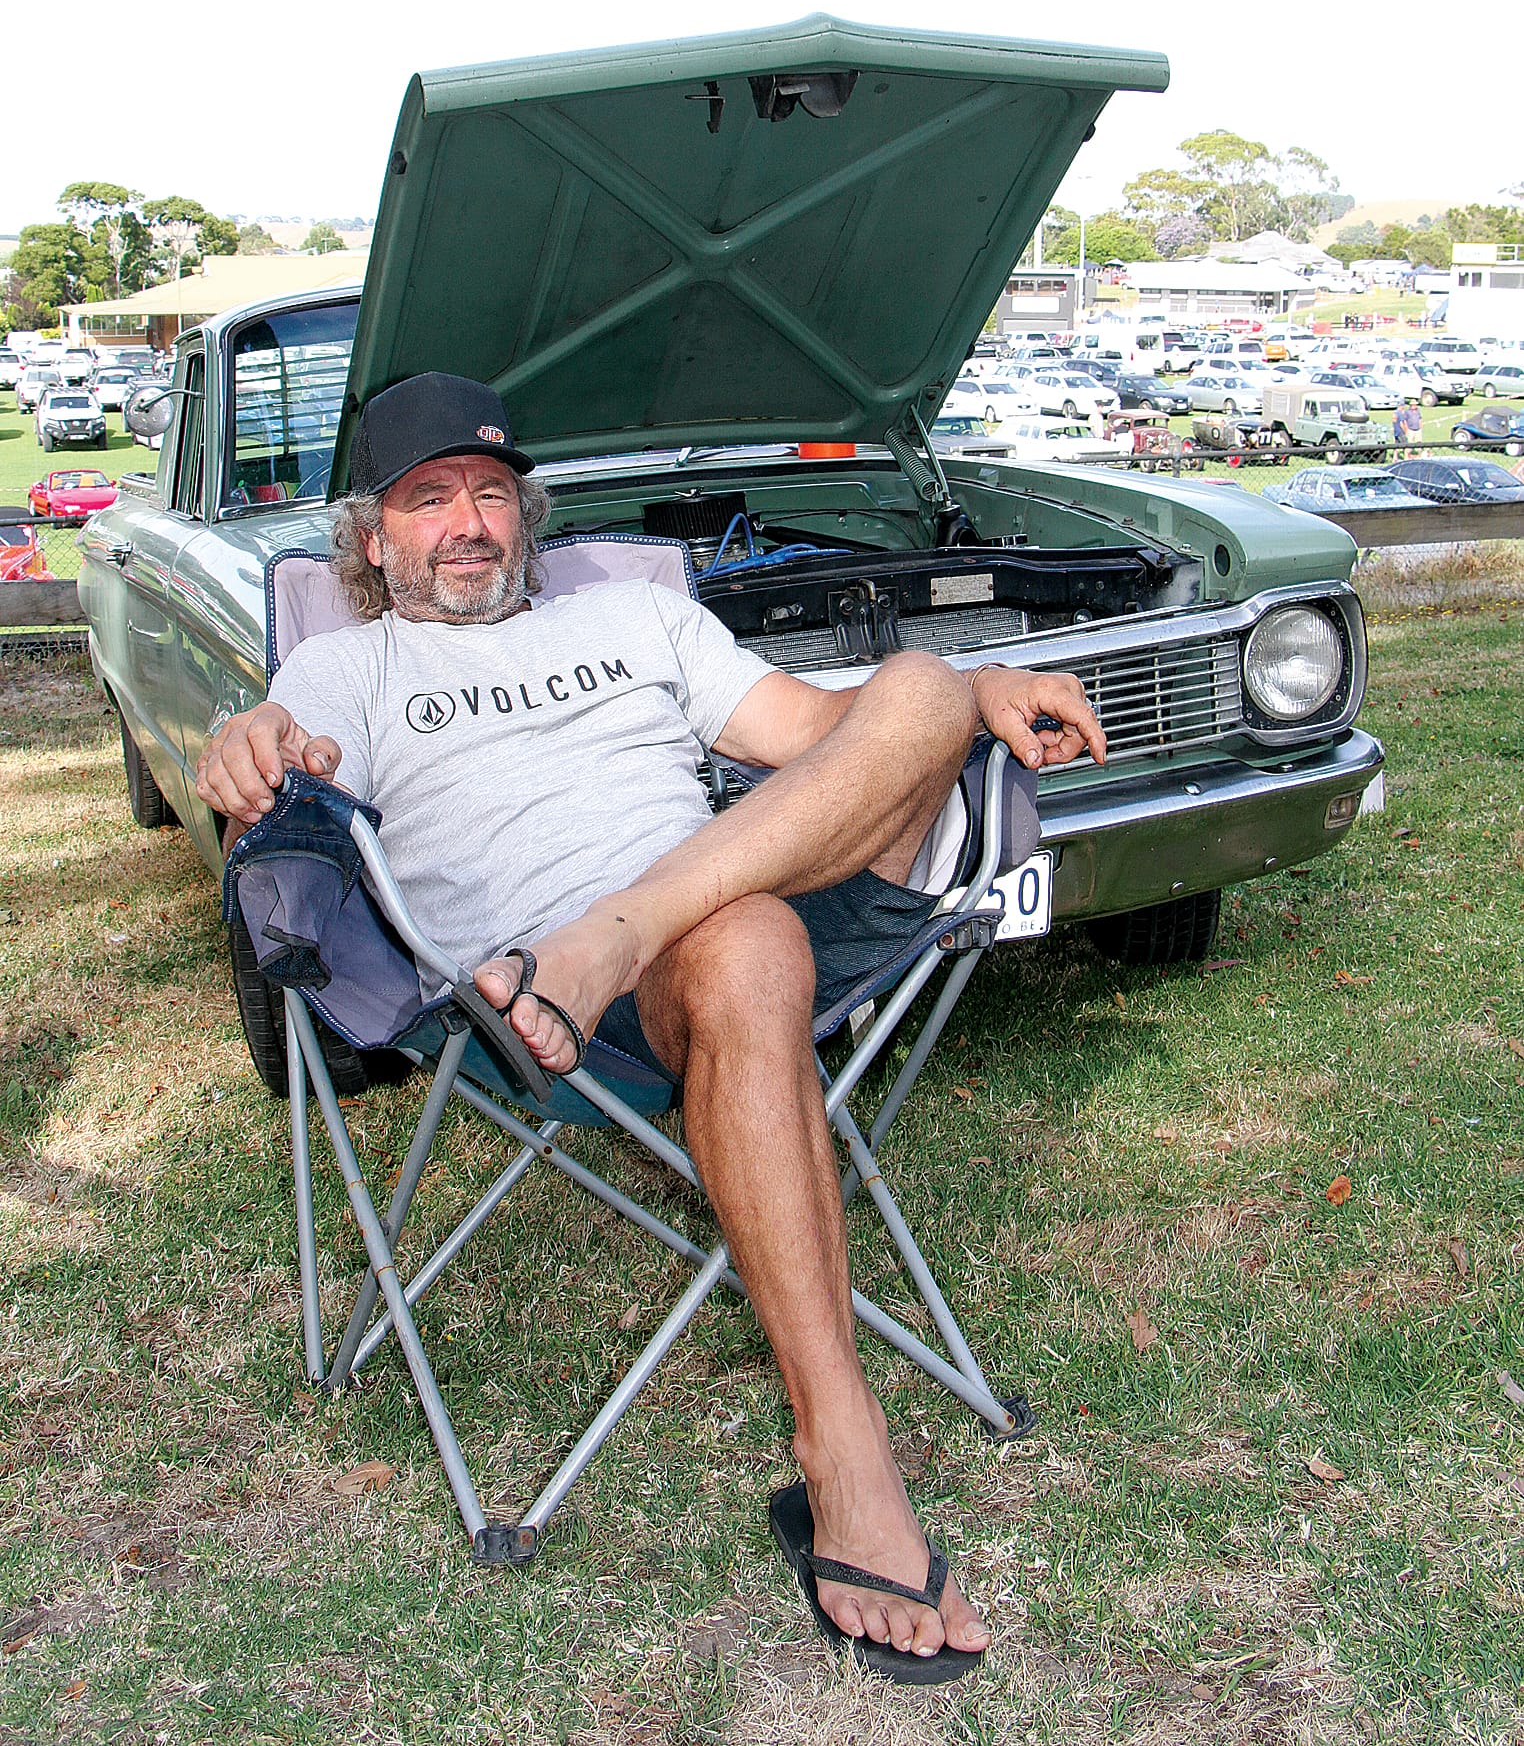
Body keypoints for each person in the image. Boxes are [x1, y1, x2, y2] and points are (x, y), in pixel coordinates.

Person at [197, 373, 1106, 1679]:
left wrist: (979, 686)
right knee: (746, 944)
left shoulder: (633, 616)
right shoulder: (346, 664)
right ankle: (846, 1453)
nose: (470, 522)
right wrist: (252, 739)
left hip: (704, 907)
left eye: (494, 495)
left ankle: (619, 924)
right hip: (536, 1007)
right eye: (431, 499)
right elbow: (287, 758)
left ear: (529, 516)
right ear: (375, 539)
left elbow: (821, 734)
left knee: (916, 683)